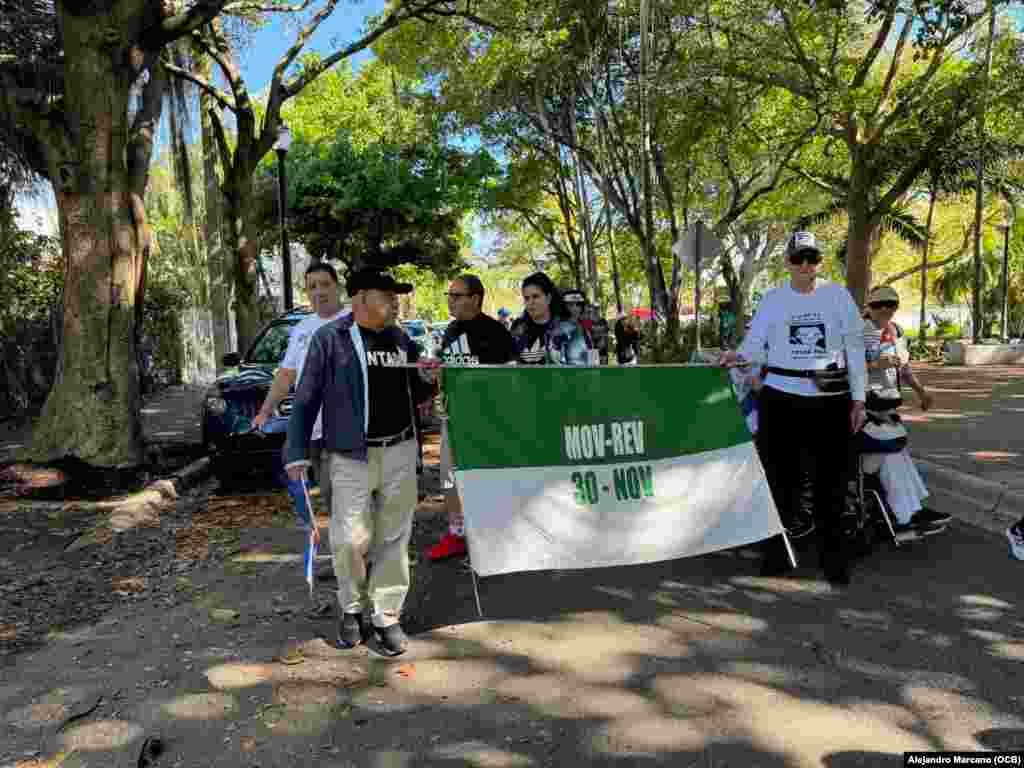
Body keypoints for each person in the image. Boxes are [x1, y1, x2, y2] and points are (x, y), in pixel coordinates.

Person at [284, 268, 433, 656]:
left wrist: (427, 377)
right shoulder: (329, 338)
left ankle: (386, 615)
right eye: (389, 295)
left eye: (397, 296)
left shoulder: (401, 338)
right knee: (349, 539)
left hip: (399, 449)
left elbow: (419, 392)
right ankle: (352, 608)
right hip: (350, 455)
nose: (396, 302)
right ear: (362, 298)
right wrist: (295, 451)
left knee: (393, 537)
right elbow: (306, 397)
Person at [719, 231, 868, 586]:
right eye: (798, 258)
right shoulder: (773, 299)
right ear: (787, 262)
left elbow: (855, 348)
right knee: (779, 480)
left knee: (832, 483)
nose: (805, 265)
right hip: (781, 396)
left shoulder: (838, 296)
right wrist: (738, 355)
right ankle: (777, 554)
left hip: (830, 397)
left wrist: (859, 398)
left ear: (819, 262)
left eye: (811, 258)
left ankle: (834, 560)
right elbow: (755, 344)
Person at [425, 275, 517, 561]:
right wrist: (433, 373)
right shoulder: (451, 330)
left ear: (475, 299)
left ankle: (497, 535)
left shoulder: (496, 332)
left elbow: (512, 377)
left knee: (487, 479)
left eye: (456, 296)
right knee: (449, 478)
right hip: (454, 418)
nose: (450, 301)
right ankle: (456, 534)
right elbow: (445, 369)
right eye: (449, 295)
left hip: (487, 419)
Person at [862, 286, 951, 533]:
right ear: (869, 306)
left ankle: (914, 509)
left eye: (890, 304)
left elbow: (904, 368)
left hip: (887, 408)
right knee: (887, 454)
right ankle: (904, 515)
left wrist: (922, 392)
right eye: (878, 304)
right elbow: (843, 367)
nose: (884, 309)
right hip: (863, 408)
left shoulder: (896, 332)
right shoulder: (857, 332)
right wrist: (873, 364)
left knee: (897, 454)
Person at [255, 263, 349, 496]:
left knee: (350, 498)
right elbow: (286, 375)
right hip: (314, 430)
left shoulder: (355, 320)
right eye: (312, 287)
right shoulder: (302, 329)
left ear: (338, 287)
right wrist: (265, 412)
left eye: (325, 284)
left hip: (350, 431)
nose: (319, 292)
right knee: (332, 497)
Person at [511, 273, 591, 365]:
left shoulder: (570, 330)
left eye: (535, 296)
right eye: (526, 298)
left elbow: (581, 368)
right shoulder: (519, 331)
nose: (530, 302)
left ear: (548, 298)